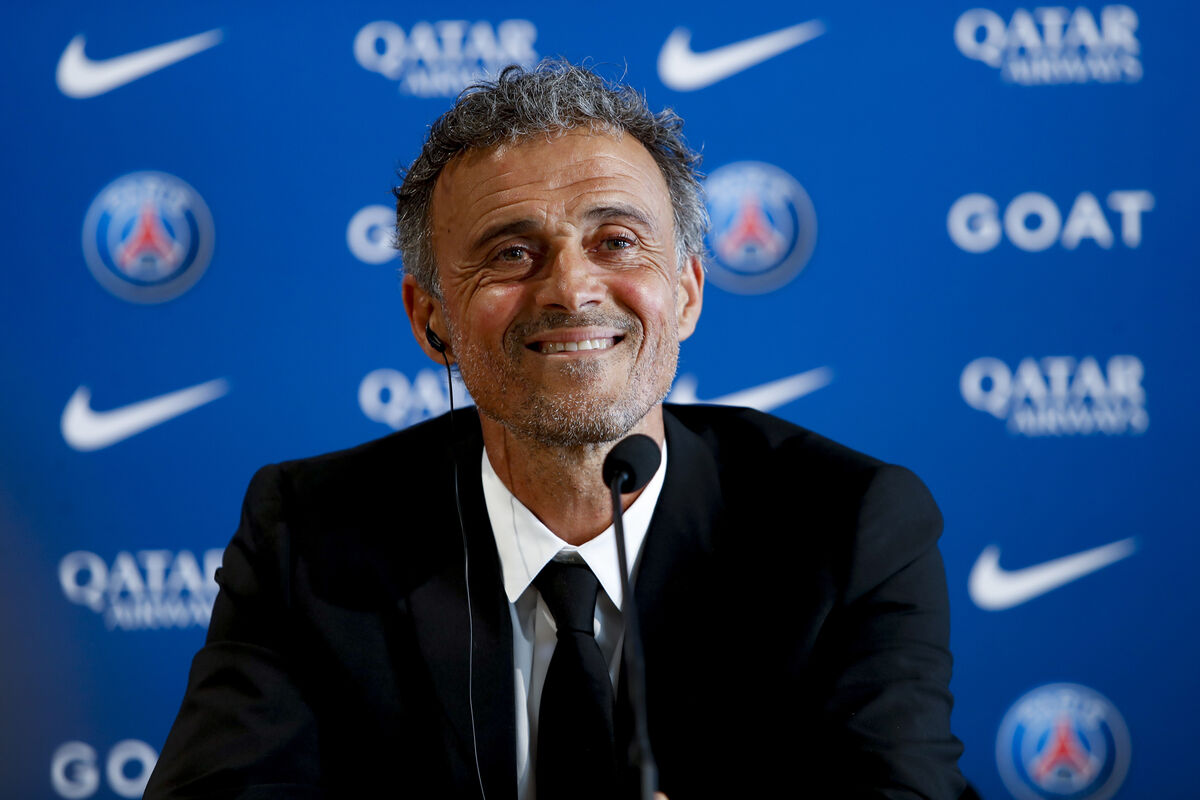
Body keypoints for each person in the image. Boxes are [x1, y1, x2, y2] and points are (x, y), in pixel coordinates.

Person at [146, 61, 966, 800]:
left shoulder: (846, 526)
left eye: (617, 242)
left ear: (687, 292)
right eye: (511, 252)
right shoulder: (309, 534)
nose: (572, 289)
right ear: (430, 318)